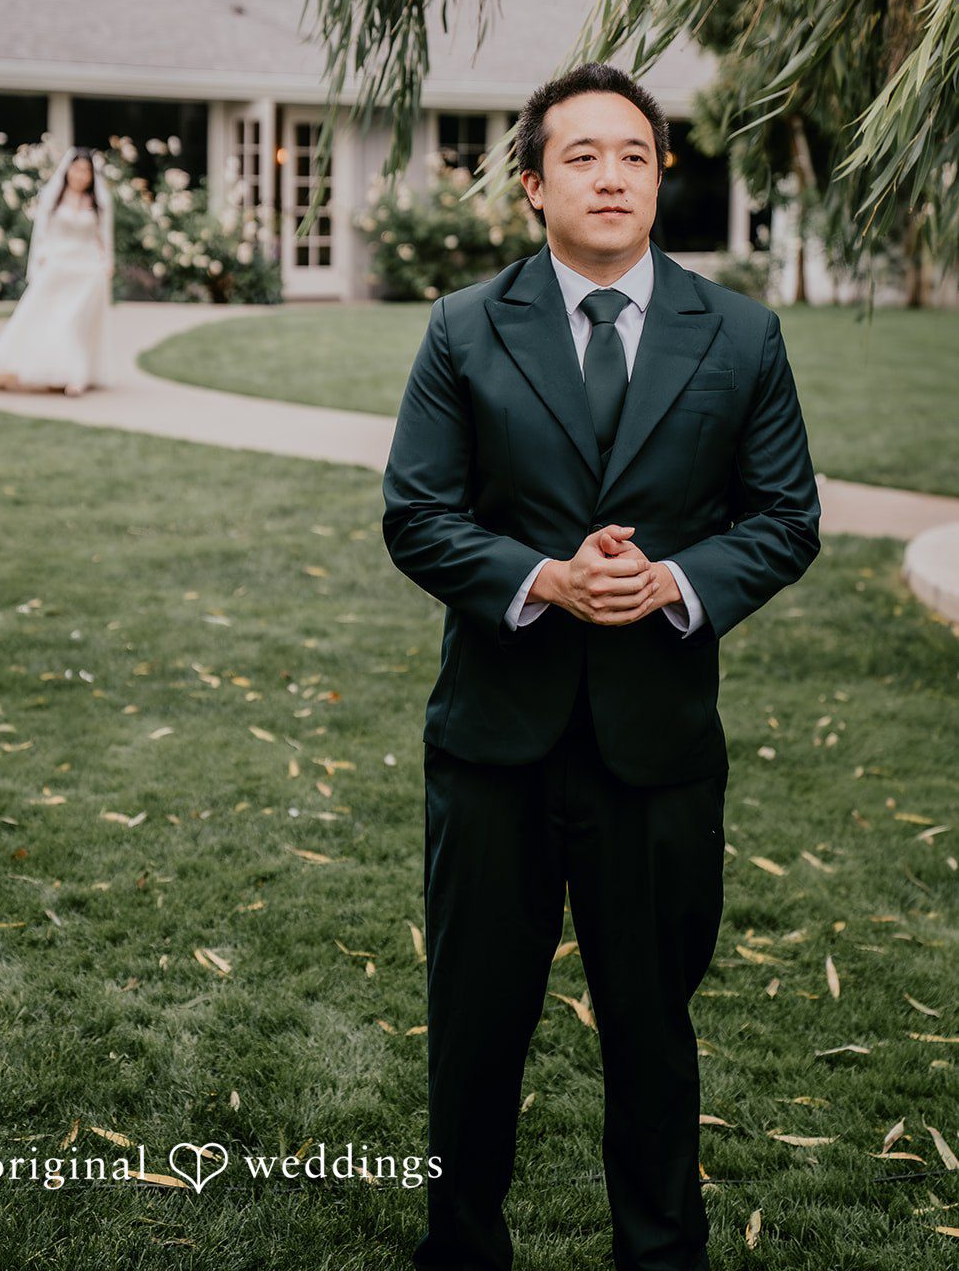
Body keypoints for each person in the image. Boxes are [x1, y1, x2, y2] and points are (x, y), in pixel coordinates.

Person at [382, 62, 821, 1271]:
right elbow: (415, 513)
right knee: (473, 1032)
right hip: (492, 746)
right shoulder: (465, 328)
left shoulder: (738, 333)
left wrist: (671, 583)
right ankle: (458, 1248)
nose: (610, 173)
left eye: (632, 152)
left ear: (661, 174)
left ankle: (660, 1255)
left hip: (656, 750)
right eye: (580, 155)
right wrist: (546, 580)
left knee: (650, 1032)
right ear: (532, 184)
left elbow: (782, 519)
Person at [0, 146, 114, 397]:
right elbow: (42, 233)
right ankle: (55, 370)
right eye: (77, 169)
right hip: (59, 265)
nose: (80, 175)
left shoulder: (98, 202)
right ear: (68, 171)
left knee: (76, 321)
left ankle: (76, 373)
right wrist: (41, 260)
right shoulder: (54, 196)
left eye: (85, 171)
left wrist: (106, 263)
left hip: (86, 269)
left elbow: (103, 236)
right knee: (52, 319)